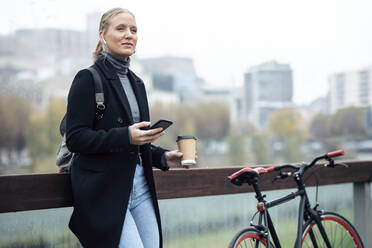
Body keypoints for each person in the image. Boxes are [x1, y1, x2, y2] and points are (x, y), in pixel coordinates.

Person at [66, 8, 184, 248]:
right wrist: (126, 135)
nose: (129, 34)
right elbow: (75, 138)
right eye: (120, 29)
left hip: (140, 186)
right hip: (106, 190)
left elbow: (137, 143)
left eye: (134, 30)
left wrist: (163, 157)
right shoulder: (87, 79)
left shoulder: (137, 83)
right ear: (102, 35)